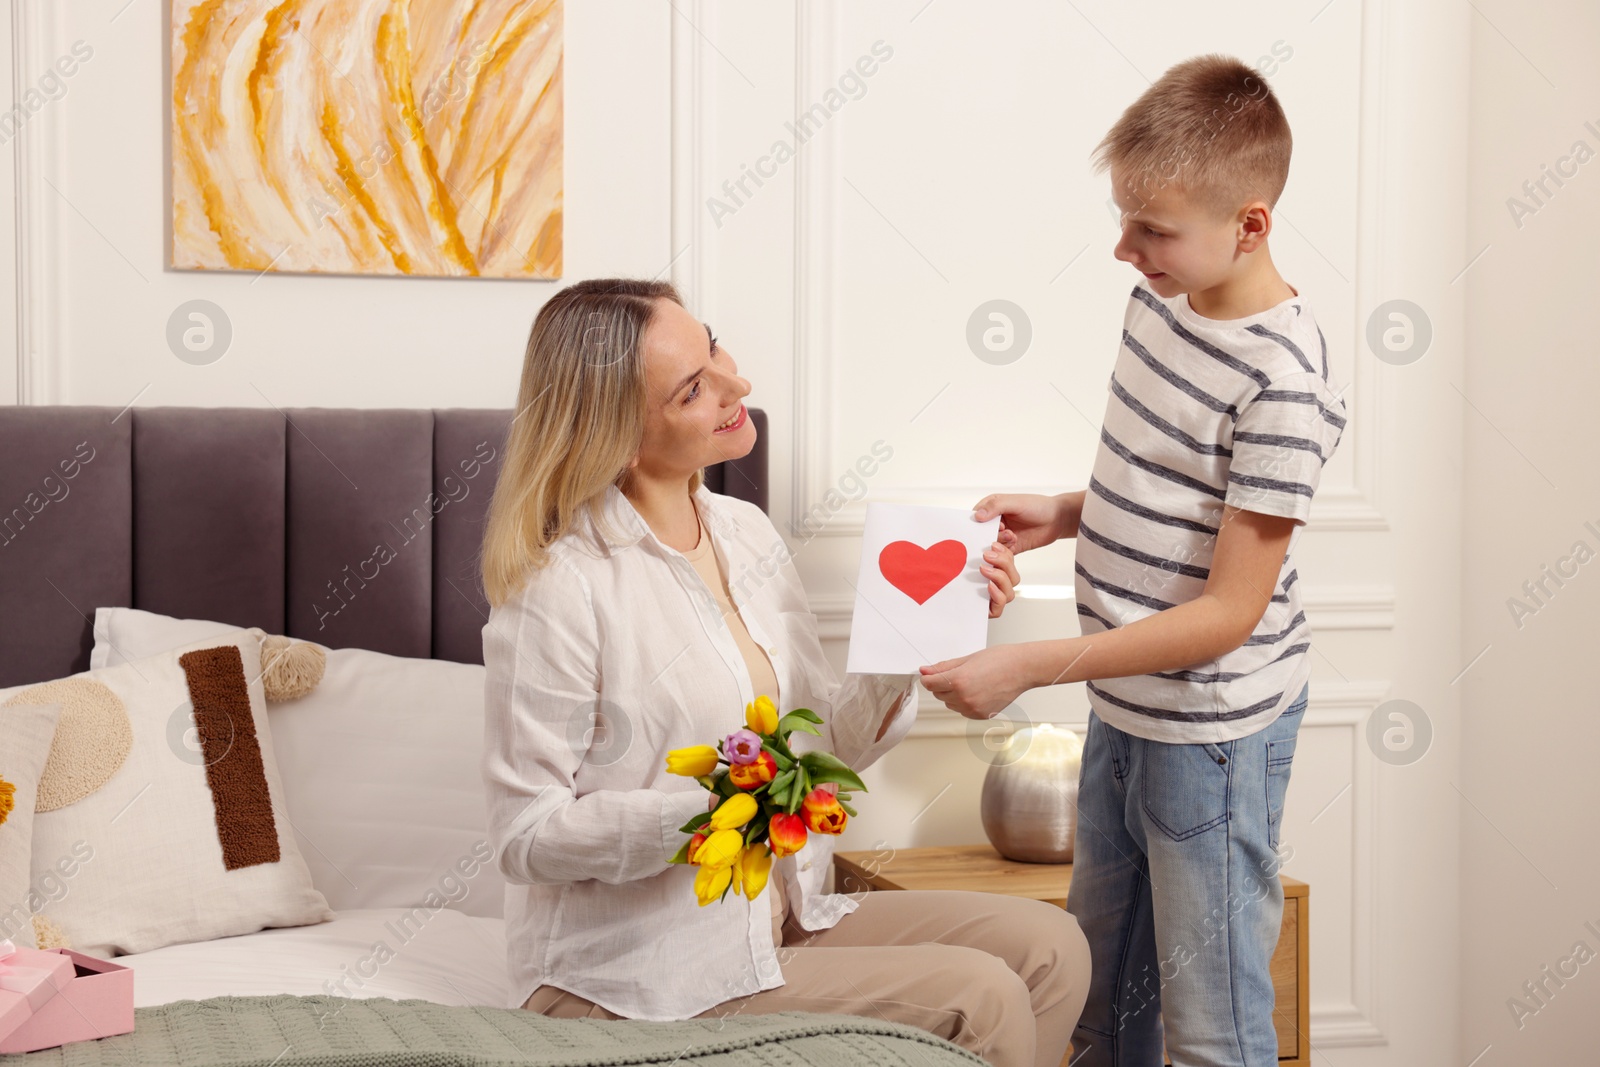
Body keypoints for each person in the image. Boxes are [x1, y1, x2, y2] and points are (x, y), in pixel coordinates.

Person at [479, 277, 1092, 1067]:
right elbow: (525, 834)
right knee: (986, 993)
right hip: (637, 967)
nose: (737, 384)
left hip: (783, 911)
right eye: (694, 389)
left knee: (1054, 945)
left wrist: (911, 635)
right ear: (619, 435)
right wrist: (715, 816)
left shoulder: (744, 531)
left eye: (713, 346)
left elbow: (823, 745)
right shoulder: (561, 585)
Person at [918, 55, 1347, 1066]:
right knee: (1097, 1000)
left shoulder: (1283, 383)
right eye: (1122, 221)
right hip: (1125, 705)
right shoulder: (1161, 301)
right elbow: (1171, 482)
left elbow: (1227, 612)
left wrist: (1023, 665)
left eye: (1150, 229)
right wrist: (1067, 512)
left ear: (1249, 224)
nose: (1124, 250)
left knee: (1214, 1023)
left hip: (1210, 733)